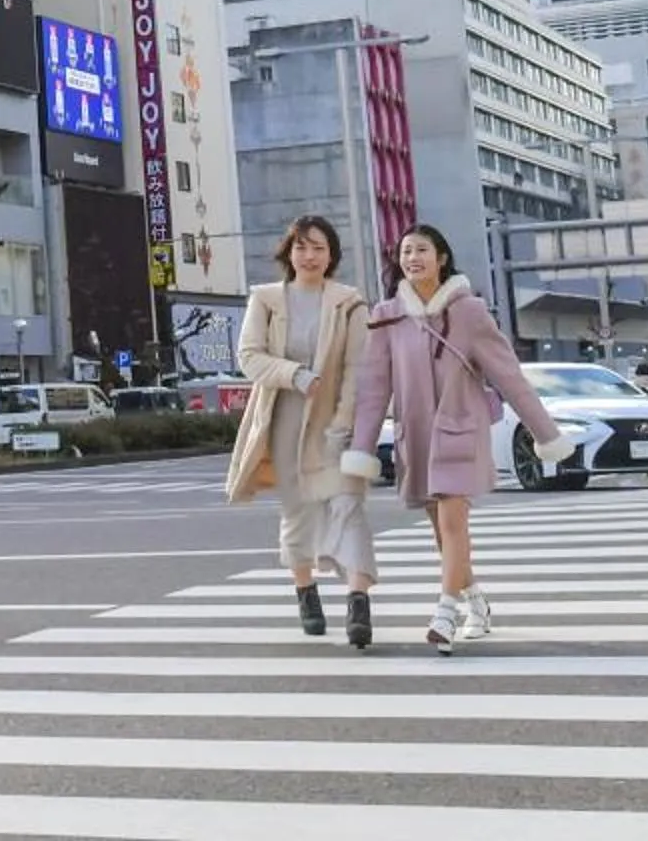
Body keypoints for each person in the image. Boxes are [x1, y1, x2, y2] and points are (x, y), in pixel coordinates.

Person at [347, 223, 575, 654]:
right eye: (406, 251)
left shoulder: (469, 312)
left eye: (422, 250)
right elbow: (375, 388)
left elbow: (509, 376)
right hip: (415, 437)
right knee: (441, 532)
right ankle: (476, 602)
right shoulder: (387, 316)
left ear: (442, 258)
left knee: (453, 523)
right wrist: (362, 448)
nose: (413, 258)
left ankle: (445, 613)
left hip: (459, 432)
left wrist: (547, 435)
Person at [225, 213, 379, 648]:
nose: (309, 256)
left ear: (331, 255)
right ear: (288, 252)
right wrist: (294, 375)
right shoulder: (267, 299)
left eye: (318, 248)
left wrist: (345, 420)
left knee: (349, 504)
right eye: (301, 247)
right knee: (297, 509)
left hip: (334, 416)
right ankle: (305, 590)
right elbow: (249, 357)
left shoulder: (349, 303)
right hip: (284, 413)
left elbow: (358, 368)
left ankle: (358, 601)